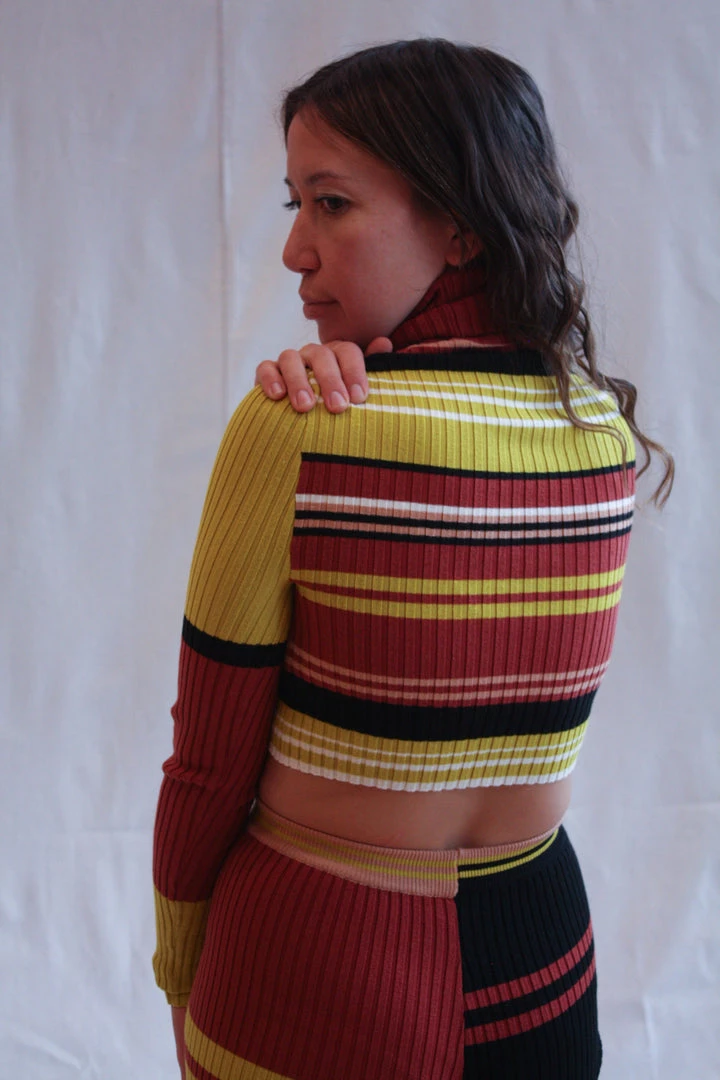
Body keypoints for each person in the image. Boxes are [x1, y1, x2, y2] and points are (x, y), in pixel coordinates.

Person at [152, 38, 673, 1080]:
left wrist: (178, 965)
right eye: (295, 204)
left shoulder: (296, 426)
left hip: (308, 967)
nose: (294, 250)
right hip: (544, 968)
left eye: (331, 203)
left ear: (462, 224)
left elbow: (208, 765)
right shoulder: (601, 431)